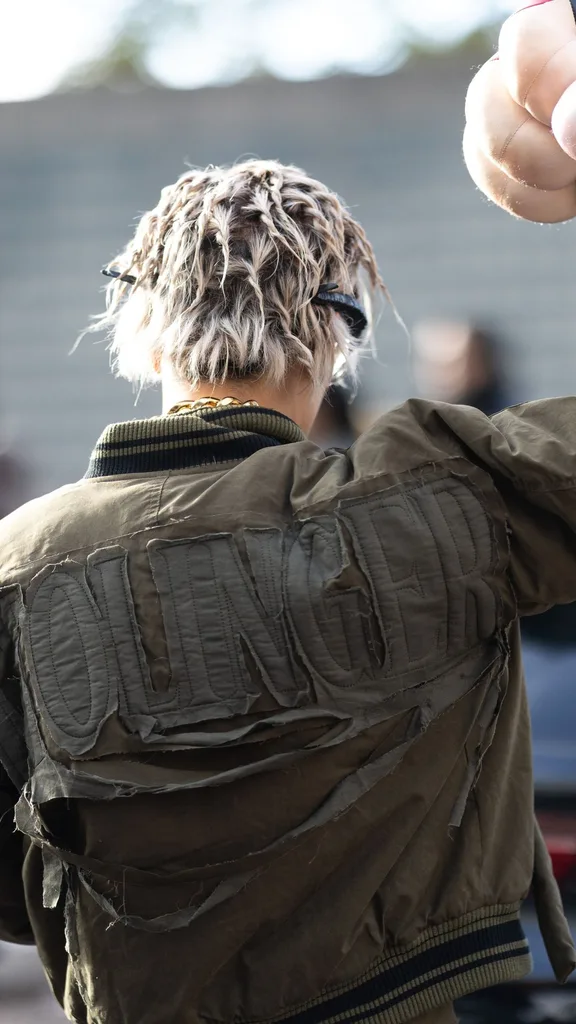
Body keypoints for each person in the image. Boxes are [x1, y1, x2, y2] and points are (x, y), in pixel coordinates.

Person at [2, 127, 576, 1024]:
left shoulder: (16, 564)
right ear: (333, 333)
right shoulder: (446, 490)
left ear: (142, 331)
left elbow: (10, 889)